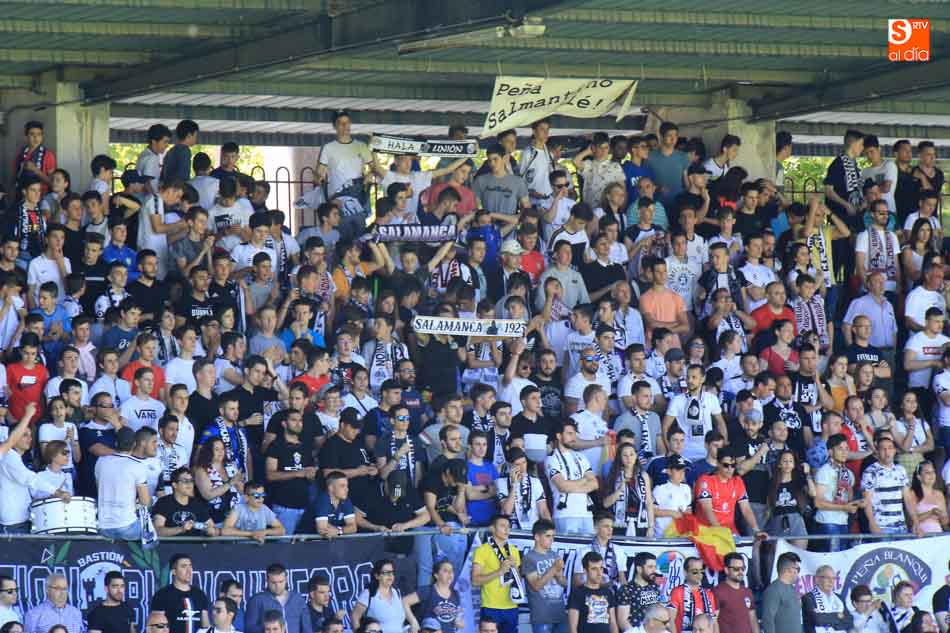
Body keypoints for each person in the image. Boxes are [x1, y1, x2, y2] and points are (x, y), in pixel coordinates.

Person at [472, 514, 523, 633]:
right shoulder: (482, 550)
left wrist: (514, 568)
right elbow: (475, 580)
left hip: (511, 605)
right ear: (492, 529)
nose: (507, 529)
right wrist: (499, 572)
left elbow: (519, 580)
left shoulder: (513, 550)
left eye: (508, 526)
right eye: (502, 526)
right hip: (491, 606)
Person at [546, 420, 598, 534]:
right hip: (565, 514)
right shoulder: (552, 458)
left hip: (586, 513)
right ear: (559, 436)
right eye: (569, 433)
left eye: (574, 433)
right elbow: (562, 486)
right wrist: (584, 480)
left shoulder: (581, 457)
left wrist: (572, 485)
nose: (573, 437)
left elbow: (594, 484)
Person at [861, 436, 920, 535]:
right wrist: (872, 523)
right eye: (883, 449)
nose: (887, 451)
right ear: (877, 452)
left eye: (890, 448)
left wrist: (916, 522)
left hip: (901, 526)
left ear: (894, 451)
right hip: (881, 527)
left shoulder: (900, 470)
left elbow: (908, 498)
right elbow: (867, 501)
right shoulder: (870, 471)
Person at [521, 519, 568, 633]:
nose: (552, 539)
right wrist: (553, 569)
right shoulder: (529, 558)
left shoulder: (554, 554)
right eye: (548, 536)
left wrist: (559, 576)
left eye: (553, 536)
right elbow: (536, 586)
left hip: (560, 614)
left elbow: (564, 583)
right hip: (542, 617)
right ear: (537, 537)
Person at [350, 559, 413, 633]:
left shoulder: (395, 592)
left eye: (392, 572)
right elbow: (355, 617)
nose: (390, 575)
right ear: (377, 576)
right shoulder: (368, 594)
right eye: (386, 573)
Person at [401, 561, 464, 633]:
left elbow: (458, 615)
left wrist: (458, 621)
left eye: (452, 570)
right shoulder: (427, 591)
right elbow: (404, 601)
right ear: (436, 575)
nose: (450, 573)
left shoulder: (456, 594)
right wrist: (413, 622)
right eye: (445, 571)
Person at [246, 564, 309, 633]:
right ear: (267, 580)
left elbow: (307, 628)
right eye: (273, 582)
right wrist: (269, 629)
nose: (277, 586)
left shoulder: (297, 599)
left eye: (281, 582)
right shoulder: (257, 600)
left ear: (286, 579)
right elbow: (249, 628)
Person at [567, 552, 618, 633]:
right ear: (585, 571)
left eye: (601, 568)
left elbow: (613, 624)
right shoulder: (577, 593)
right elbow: (573, 628)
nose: (599, 573)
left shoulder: (608, 592)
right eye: (594, 569)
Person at [221, 481, 286, 542]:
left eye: (263, 495)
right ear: (246, 497)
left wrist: (265, 532)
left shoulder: (264, 509)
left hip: (259, 549)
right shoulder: (238, 509)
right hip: (239, 548)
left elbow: (281, 530)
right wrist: (252, 534)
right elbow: (225, 531)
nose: (261, 499)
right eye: (256, 496)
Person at [667, 557, 717, 633]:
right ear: (685, 572)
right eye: (695, 572)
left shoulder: (709, 594)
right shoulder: (677, 592)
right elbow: (670, 620)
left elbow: (713, 622)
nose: (699, 575)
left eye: (701, 572)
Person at [712, 552, 757, 633]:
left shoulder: (747, 592)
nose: (740, 572)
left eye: (743, 568)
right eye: (736, 569)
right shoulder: (718, 592)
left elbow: (753, 618)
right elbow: (713, 621)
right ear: (726, 570)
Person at [616, 552, 662, 632]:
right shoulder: (626, 589)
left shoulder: (655, 588)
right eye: (650, 567)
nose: (654, 570)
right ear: (639, 569)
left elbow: (657, 614)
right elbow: (622, 621)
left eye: (655, 567)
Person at [802, 565, 852, 633]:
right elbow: (818, 620)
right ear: (817, 579)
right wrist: (838, 615)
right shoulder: (808, 598)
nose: (831, 581)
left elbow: (849, 621)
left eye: (834, 578)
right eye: (827, 578)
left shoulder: (839, 598)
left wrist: (834, 626)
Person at [762, 552, 803, 633]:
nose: (798, 572)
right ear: (790, 570)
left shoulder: (792, 588)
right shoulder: (773, 590)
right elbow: (768, 619)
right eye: (797, 569)